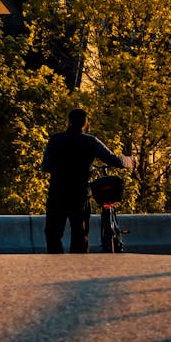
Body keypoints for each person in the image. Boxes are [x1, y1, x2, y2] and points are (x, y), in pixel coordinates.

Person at [42, 108, 134, 254]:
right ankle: (78, 266)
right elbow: (113, 160)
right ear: (85, 123)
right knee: (80, 233)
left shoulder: (55, 139)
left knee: (53, 233)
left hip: (57, 192)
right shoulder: (90, 141)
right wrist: (130, 161)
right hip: (80, 193)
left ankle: (55, 262)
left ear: (69, 122)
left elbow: (45, 166)